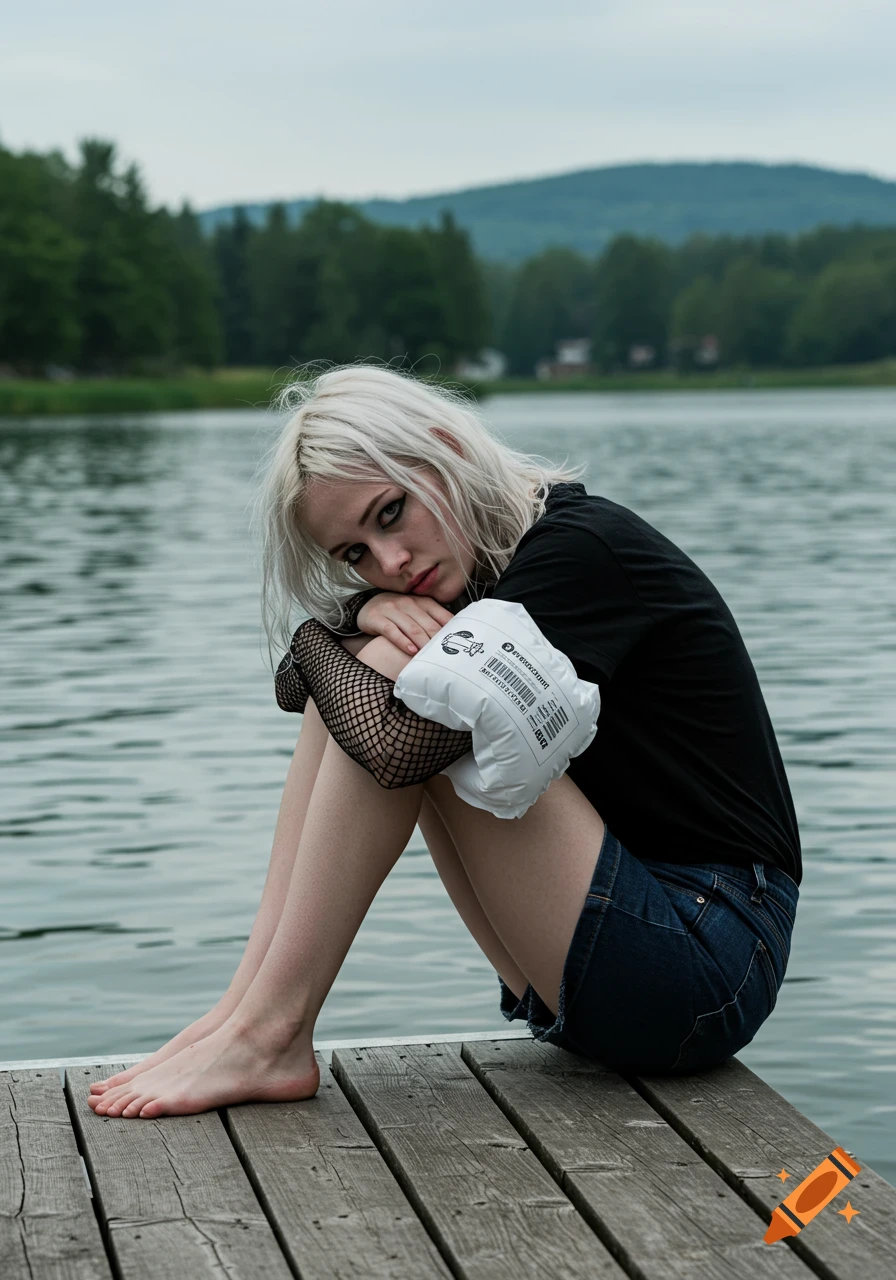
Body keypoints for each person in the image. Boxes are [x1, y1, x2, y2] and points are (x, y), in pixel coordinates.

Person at [87, 364, 801, 1120]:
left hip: (706, 958)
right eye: (355, 555)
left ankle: (272, 1027)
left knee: (404, 683)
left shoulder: (579, 552)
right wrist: (361, 617)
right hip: (618, 962)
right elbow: (299, 692)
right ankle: (244, 1012)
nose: (388, 562)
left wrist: (331, 628)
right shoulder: (468, 585)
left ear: (440, 449)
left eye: (391, 513)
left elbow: (387, 743)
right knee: (391, 673)